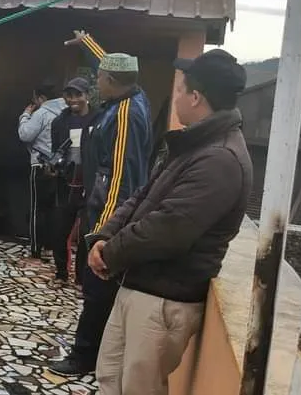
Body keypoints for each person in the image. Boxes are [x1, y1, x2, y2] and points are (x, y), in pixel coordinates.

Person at [88, 49, 251, 394]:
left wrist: (111, 253)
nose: (175, 98)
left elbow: (169, 229)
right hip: (141, 284)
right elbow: (142, 196)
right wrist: (105, 236)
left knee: (139, 388)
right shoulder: (193, 145)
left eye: (180, 90)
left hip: (164, 299)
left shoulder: (219, 159)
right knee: (110, 378)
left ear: (196, 97)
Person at [51, 37, 152, 376]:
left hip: (110, 215)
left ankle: (84, 357)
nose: (96, 82)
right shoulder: (131, 95)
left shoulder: (124, 115)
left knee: (97, 289)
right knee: (96, 288)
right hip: (101, 208)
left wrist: (102, 235)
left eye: (99, 77)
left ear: (110, 80)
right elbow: (111, 64)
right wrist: (87, 43)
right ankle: (97, 353)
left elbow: (120, 179)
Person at [47, 77, 96, 282]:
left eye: (78, 94)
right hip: (65, 184)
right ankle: (61, 273)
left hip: (90, 185)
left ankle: (81, 278)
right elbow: (55, 151)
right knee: (59, 231)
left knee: (86, 234)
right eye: (69, 95)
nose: (73, 99)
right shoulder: (59, 122)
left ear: (88, 95)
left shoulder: (99, 119)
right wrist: (54, 167)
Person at [18, 82, 67, 260]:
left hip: (40, 166)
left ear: (41, 98)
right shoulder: (66, 112)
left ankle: (36, 248)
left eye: (35, 99)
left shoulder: (42, 113)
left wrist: (25, 115)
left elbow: (25, 134)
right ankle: (51, 247)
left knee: (37, 209)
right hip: (59, 168)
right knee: (54, 209)